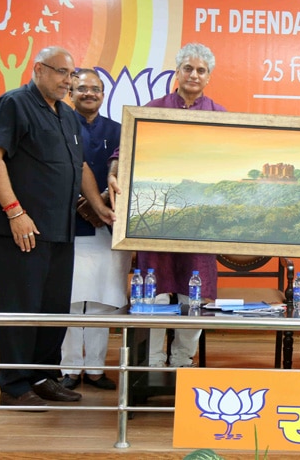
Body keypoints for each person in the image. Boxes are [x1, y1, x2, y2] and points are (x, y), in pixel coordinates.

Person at [0, 46, 115, 409]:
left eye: (71, 75)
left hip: (59, 230)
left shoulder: (67, 115)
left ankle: (43, 376)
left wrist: (100, 208)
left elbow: (81, 167)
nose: (67, 81)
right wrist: (14, 212)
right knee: (20, 308)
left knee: (53, 309)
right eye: (61, 73)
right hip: (18, 230)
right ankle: (13, 385)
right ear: (38, 69)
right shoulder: (13, 104)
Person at [109, 42, 224, 368]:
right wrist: (113, 175)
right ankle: (154, 365)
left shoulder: (220, 116)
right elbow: (121, 154)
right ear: (177, 71)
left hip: (200, 223)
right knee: (154, 294)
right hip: (154, 217)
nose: (194, 74)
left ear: (208, 76)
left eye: (201, 70)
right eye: (188, 68)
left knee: (196, 296)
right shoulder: (152, 110)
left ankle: (182, 364)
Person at [59, 69, 132, 391]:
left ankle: (96, 369)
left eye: (96, 89)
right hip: (67, 226)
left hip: (109, 227)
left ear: (104, 95)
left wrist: (100, 204)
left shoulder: (121, 131)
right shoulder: (57, 127)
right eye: (82, 88)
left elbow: (129, 172)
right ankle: (70, 370)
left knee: (104, 301)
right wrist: (82, 204)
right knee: (71, 301)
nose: (89, 93)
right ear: (70, 93)